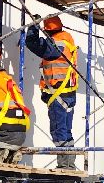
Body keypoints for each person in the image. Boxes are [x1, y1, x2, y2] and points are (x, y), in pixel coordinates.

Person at [24, 15, 79, 170]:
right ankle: (69, 164)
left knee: (58, 131)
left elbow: (33, 43)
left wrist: (33, 27)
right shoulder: (67, 39)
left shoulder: (57, 44)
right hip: (68, 95)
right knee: (66, 131)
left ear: (47, 31)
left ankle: (65, 166)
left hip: (59, 95)